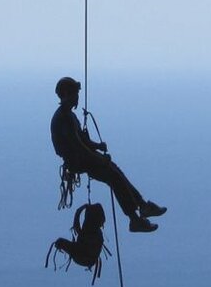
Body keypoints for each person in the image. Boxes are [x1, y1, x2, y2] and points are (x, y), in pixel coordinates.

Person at [50, 76, 166, 233]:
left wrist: (97, 146)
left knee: (116, 172)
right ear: (65, 94)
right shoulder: (64, 118)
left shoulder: (69, 115)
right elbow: (78, 147)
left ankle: (142, 206)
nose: (77, 97)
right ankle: (135, 218)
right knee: (114, 177)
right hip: (78, 161)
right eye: (74, 94)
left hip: (82, 158)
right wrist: (99, 158)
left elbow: (83, 141)